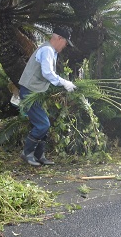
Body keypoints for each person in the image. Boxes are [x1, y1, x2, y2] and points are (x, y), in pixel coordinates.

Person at [18, 27, 77, 166]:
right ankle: (27, 153)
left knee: (44, 123)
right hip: (29, 91)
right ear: (59, 38)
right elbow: (47, 73)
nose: (65, 46)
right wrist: (64, 82)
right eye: (65, 43)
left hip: (35, 92)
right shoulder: (47, 50)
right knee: (43, 124)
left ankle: (39, 155)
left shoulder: (51, 51)